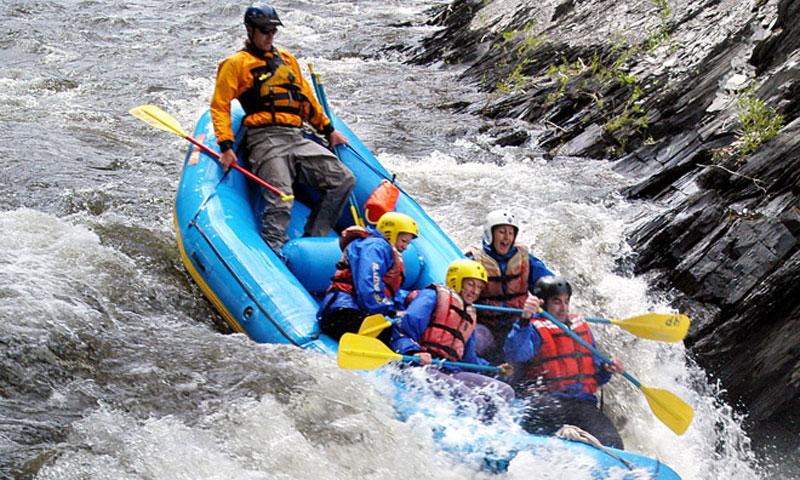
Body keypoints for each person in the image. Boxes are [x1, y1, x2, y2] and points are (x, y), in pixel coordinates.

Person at [210, 3, 355, 255]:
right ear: (250, 30)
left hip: (296, 137)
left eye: (273, 31)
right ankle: (273, 253)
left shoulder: (287, 60)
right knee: (281, 198)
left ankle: (314, 242)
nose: (270, 36)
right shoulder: (236, 64)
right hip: (264, 139)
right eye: (265, 31)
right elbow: (220, 105)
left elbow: (306, 98)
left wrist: (328, 129)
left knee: (343, 179)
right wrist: (226, 145)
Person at [504, 275, 625, 449]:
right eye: (557, 302)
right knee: (546, 429)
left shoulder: (579, 327)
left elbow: (596, 377)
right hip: (546, 402)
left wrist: (607, 369)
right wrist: (524, 319)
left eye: (566, 301)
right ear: (543, 303)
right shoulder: (532, 327)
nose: (563, 308)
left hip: (582, 404)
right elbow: (517, 354)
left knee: (613, 443)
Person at [389, 259, 515, 409]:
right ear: (456, 280)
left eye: (479, 287)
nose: (475, 291)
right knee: (474, 402)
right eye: (471, 284)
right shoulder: (433, 296)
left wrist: (494, 369)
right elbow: (402, 330)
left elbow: (469, 358)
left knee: (506, 392)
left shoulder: (468, 314)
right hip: (419, 368)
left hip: (449, 370)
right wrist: (414, 352)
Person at [465, 209, 554, 363]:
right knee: (475, 342)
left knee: (538, 348)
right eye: (501, 232)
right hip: (486, 325)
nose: (507, 237)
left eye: (511, 233)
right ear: (490, 234)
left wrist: (550, 303)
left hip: (519, 323)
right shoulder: (474, 260)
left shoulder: (525, 259)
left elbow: (548, 286)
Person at [318, 212, 418, 342]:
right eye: (404, 241)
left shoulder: (384, 250)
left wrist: (411, 300)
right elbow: (368, 284)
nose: (405, 247)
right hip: (341, 312)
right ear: (390, 233)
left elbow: (387, 291)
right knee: (397, 335)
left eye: (408, 243)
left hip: (355, 310)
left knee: (404, 331)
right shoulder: (374, 247)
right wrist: (388, 310)